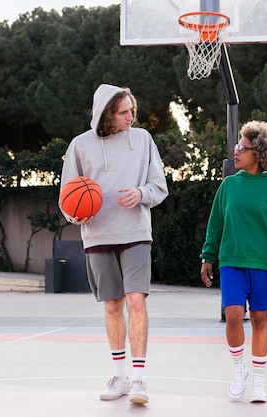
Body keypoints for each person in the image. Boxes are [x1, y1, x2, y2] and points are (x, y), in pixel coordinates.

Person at [59, 84, 168, 404]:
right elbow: (67, 196)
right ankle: (119, 376)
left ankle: (138, 380)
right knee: (111, 305)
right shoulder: (80, 145)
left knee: (136, 301)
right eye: (124, 112)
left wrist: (142, 194)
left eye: (132, 110)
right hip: (98, 235)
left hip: (135, 233)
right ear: (106, 113)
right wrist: (74, 216)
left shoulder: (143, 140)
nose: (131, 116)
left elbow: (158, 186)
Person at [200, 120, 267, 403]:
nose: (236, 152)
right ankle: (237, 368)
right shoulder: (228, 186)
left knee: (258, 320)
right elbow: (215, 224)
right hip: (231, 261)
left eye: (243, 148)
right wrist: (208, 255)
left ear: (261, 153)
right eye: (236, 146)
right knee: (232, 315)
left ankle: (258, 380)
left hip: (264, 264)